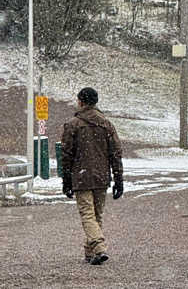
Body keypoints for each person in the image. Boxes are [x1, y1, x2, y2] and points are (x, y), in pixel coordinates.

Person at [61, 86, 124, 265]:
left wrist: (66, 180)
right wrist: (118, 178)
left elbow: (66, 155)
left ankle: (99, 247)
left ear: (81, 101)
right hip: (101, 176)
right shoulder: (106, 124)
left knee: (88, 214)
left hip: (81, 177)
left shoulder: (73, 125)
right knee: (96, 215)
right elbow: (116, 153)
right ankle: (90, 253)